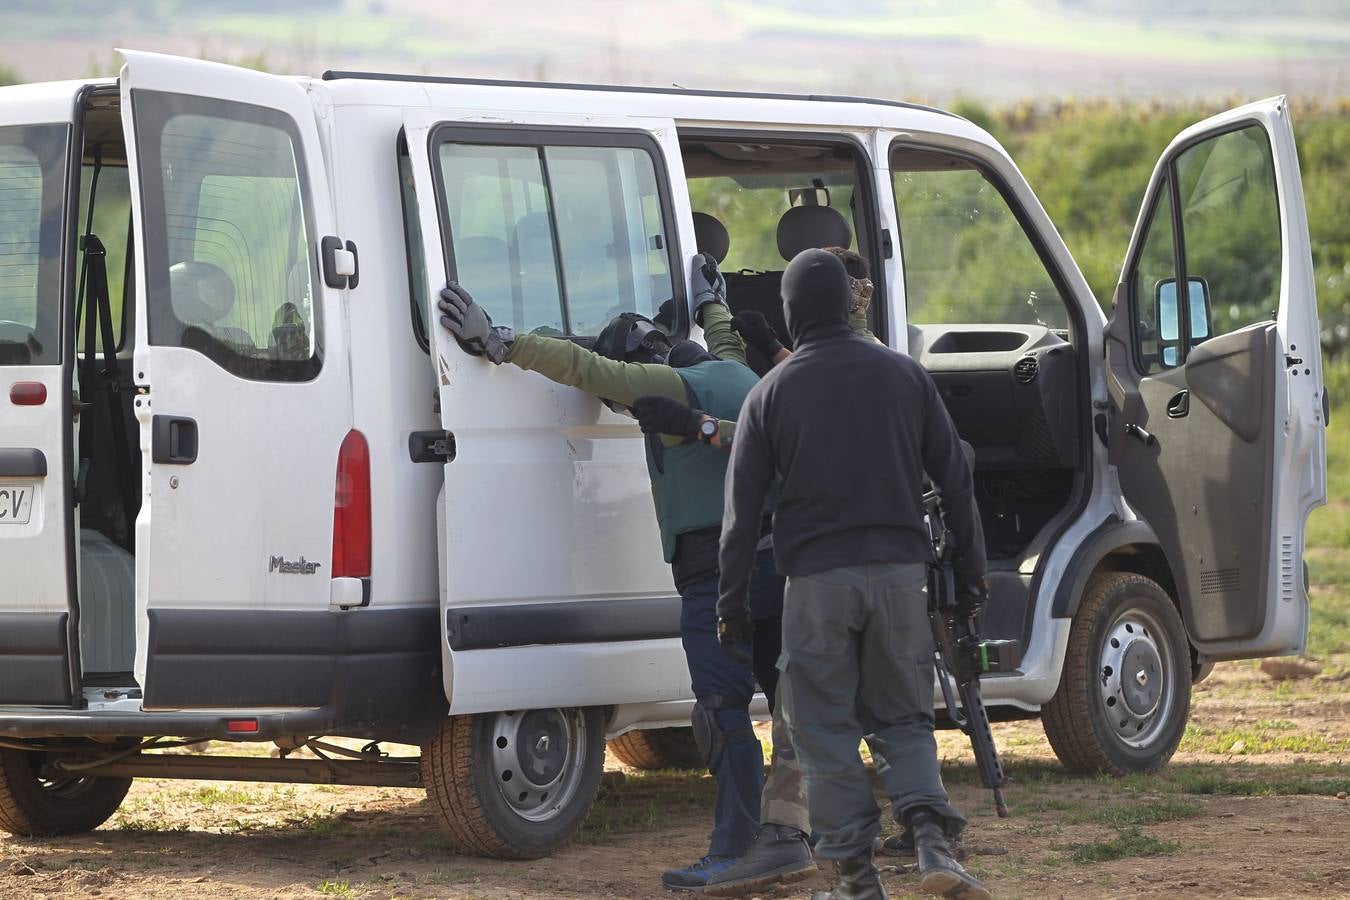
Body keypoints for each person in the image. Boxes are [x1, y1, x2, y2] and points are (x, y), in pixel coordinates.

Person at [436, 255, 814, 895]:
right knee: (793, 706)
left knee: (721, 713)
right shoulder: (738, 370)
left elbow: (584, 367)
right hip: (786, 566)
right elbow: (720, 335)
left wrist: (501, 343)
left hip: (719, 574)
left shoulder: (663, 389)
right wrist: (710, 299)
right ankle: (794, 835)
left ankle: (736, 848)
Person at [716, 248, 991, 900]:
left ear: (790, 313)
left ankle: (857, 883)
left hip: (816, 584)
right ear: (847, 302)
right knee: (903, 720)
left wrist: (731, 605)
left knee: (823, 730)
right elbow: (956, 479)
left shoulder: (770, 393)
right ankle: (933, 844)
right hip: (901, 578)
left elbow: (740, 515)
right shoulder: (905, 376)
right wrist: (971, 576)